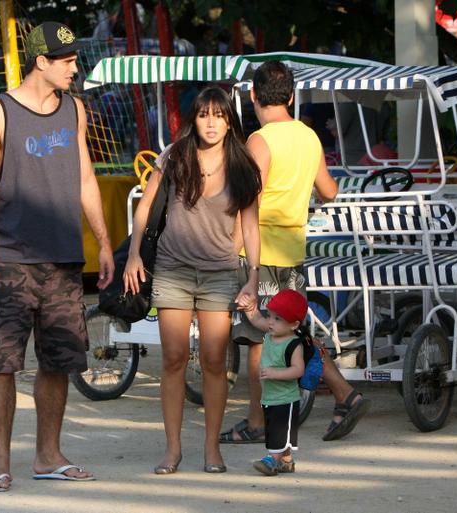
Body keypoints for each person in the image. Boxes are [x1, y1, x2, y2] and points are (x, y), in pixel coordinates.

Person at [0, 21, 114, 492]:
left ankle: (48, 456)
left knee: (59, 362)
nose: (75, 67)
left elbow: (86, 180)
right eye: (67, 60)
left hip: (64, 259)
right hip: (11, 259)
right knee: (2, 364)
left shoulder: (75, 110)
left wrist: (105, 243)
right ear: (42, 62)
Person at [219, 61, 370, 445]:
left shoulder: (259, 141)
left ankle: (256, 422)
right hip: (292, 251)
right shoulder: (308, 136)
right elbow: (330, 191)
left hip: (261, 252)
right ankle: (344, 393)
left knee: (259, 339)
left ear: (252, 95)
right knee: (291, 332)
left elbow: (247, 203)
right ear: (290, 96)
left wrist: (228, 248)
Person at [124, 86, 262, 475]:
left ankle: (211, 449)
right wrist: (133, 254)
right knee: (173, 359)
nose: (212, 122)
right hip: (172, 270)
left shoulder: (242, 165)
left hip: (220, 272)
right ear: (194, 119)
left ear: (229, 120)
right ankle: (172, 450)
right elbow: (146, 204)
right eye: (204, 115)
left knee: (215, 361)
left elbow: (250, 227)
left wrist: (251, 276)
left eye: (219, 115)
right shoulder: (175, 154)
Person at [239, 289, 307, 475]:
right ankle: (286, 460)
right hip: (270, 396)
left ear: (294, 324)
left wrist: (276, 373)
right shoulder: (270, 334)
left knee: (278, 431)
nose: (270, 321)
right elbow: (256, 319)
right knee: (276, 430)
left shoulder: (293, 344)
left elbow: (298, 370)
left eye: (277, 319)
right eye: (270, 316)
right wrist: (249, 308)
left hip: (286, 398)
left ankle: (272, 460)